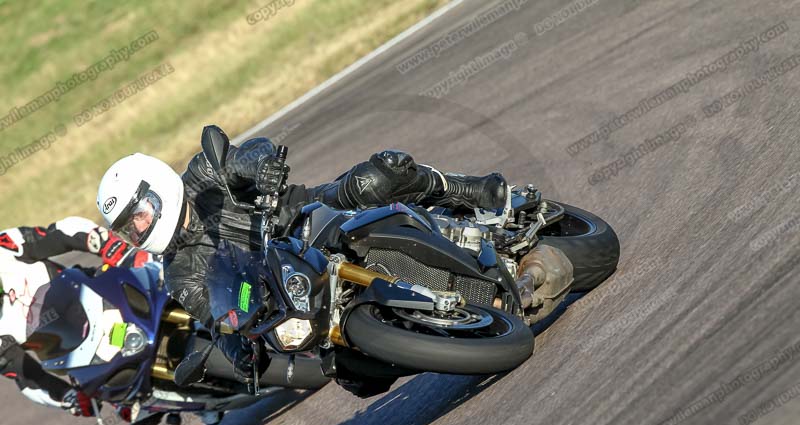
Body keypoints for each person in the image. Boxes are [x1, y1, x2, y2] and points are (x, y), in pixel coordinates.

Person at [95, 125, 508, 387]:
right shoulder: (179, 273)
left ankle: (461, 190)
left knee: (372, 179)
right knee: (350, 373)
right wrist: (236, 351)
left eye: (140, 216)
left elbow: (243, 156)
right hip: (287, 289)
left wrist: (261, 168)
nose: (139, 229)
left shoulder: (203, 176)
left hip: (308, 220)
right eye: (129, 228)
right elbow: (217, 318)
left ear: (156, 191)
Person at [0, 217, 148, 415]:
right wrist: (67, 397)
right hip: (87, 357)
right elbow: (29, 379)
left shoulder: (6, 246)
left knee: (151, 274)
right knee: (133, 410)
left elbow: (60, 233)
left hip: (101, 293)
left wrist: (107, 244)